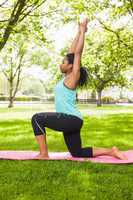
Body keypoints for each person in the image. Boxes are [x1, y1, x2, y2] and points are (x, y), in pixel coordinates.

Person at [31, 18, 126, 160]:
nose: (61, 63)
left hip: (70, 119)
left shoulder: (73, 76)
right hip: (72, 120)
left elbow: (77, 54)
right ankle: (111, 151)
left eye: (63, 62)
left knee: (37, 118)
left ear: (70, 66)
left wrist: (83, 32)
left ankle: (44, 154)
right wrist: (78, 32)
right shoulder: (66, 77)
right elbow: (72, 50)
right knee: (77, 152)